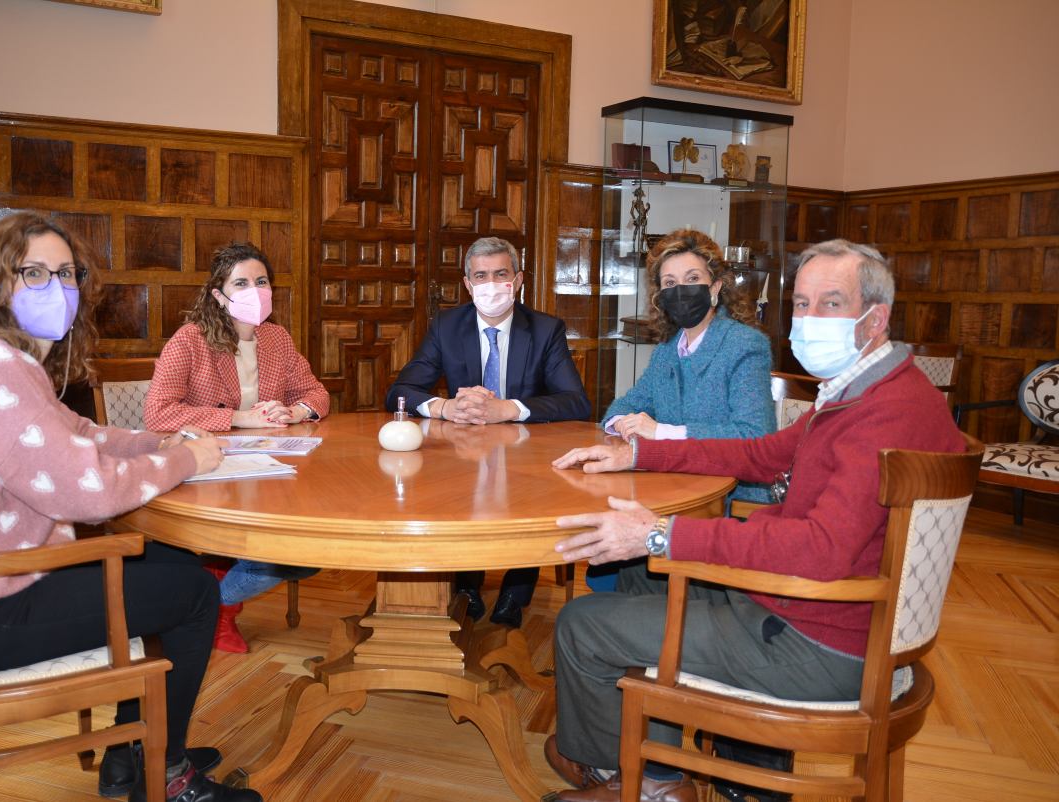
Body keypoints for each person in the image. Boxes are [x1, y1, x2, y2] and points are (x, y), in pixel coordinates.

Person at [543, 239, 966, 802]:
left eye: (832, 303)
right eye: (803, 304)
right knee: (641, 575)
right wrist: (641, 455)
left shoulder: (883, 415)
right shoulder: (868, 393)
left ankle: (641, 784)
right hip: (831, 610)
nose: (810, 319)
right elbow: (760, 455)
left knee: (582, 623)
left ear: (875, 318)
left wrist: (660, 532)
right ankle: (662, 777)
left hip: (817, 640)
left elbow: (821, 548)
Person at [0, 213, 260, 802]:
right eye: (35, 273)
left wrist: (160, 442)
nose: (58, 288)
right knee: (194, 594)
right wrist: (187, 461)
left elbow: (84, 434)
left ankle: (130, 753)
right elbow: (86, 490)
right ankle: (165, 776)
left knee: (168, 565)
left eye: (67, 274)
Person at [384, 236, 590, 628]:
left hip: (528, 456)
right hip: (463, 454)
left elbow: (576, 402)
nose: (491, 284)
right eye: (481, 275)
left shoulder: (545, 329)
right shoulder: (447, 325)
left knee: (529, 501)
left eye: (501, 274)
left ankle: (517, 591)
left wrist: (508, 409)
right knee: (459, 495)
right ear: (467, 284)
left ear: (518, 279)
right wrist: (446, 407)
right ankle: (466, 588)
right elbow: (400, 391)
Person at [145, 242, 326, 653]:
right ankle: (219, 608)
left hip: (271, 469)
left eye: (261, 282)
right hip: (212, 470)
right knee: (290, 556)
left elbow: (317, 394)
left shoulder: (276, 338)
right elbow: (158, 413)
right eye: (241, 283)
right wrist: (238, 419)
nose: (254, 291)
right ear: (218, 294)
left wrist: (293, 411)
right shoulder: (190, 340)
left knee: (309, 555)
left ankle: (214, 593)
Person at [591, 229, 775, 591]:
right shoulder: (668, 351)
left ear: (716, 287)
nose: (681, 291)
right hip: (675, 489)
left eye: (692, 279)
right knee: (608, 561)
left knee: (615, 564)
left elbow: (755, 437)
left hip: (729, 506)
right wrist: (624, 424)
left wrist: (659, 432)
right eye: (670, 283)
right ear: (661, 297)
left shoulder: (744, 345)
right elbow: (621, 407)